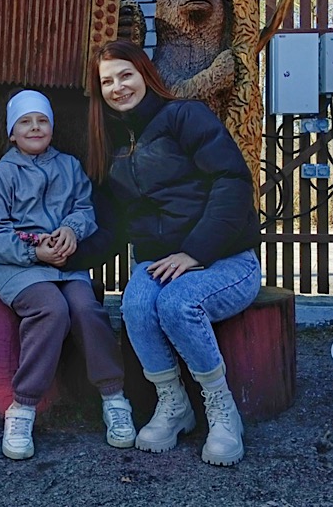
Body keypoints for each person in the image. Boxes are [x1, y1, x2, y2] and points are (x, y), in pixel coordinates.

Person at [85, 40, 261, 466]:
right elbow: (110, 227)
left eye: (125, 74)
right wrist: (63, 259)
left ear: (146, 74)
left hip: (226, 259)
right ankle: (174, 404)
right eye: (107, 81)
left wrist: (195, 252)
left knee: (180, 303)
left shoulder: (184, 116)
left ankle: (222, 411)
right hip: (160, 262)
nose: (118, 87)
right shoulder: (106, 146)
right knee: (137, 304)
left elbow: (232, 182)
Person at [0, 89, 136, 460]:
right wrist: (33, 251)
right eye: (25, 122)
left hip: (64, 263)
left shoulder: (69, 166)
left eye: (42, 120)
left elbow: (84, 208)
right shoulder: (0, 174)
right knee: (51, 309)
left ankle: (114, 397)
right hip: (19, 266)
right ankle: (23, 406)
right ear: (11, 133)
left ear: (52, 126)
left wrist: (71, 231)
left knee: (85, 308)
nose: (35, 127)